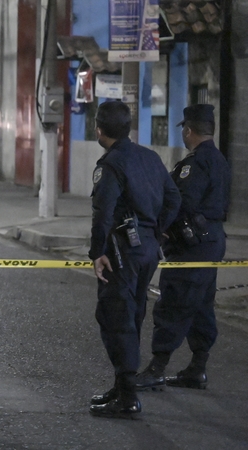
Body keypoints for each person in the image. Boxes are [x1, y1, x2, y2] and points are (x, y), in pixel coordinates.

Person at [88, 100, 181, 419]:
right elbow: (174, 198)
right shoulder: (150, 157)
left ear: (98, 128)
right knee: (134, 314)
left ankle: (127, 397)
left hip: (121, 250)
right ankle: (121, 386)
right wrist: (157, 232)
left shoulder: (112, 164)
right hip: (147, 250)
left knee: (116, 317)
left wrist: (97, 252)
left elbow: (103, 215)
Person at [135, 104, 231, 391]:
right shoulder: (220, 160)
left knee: (174, 302)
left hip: (192, 245)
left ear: (188, 130)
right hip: (211, 240)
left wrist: (161, 230)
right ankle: (197, 369)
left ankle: (157, 367)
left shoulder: (195, 163)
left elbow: (181, 203)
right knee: (201, 304)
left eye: (184, 131)